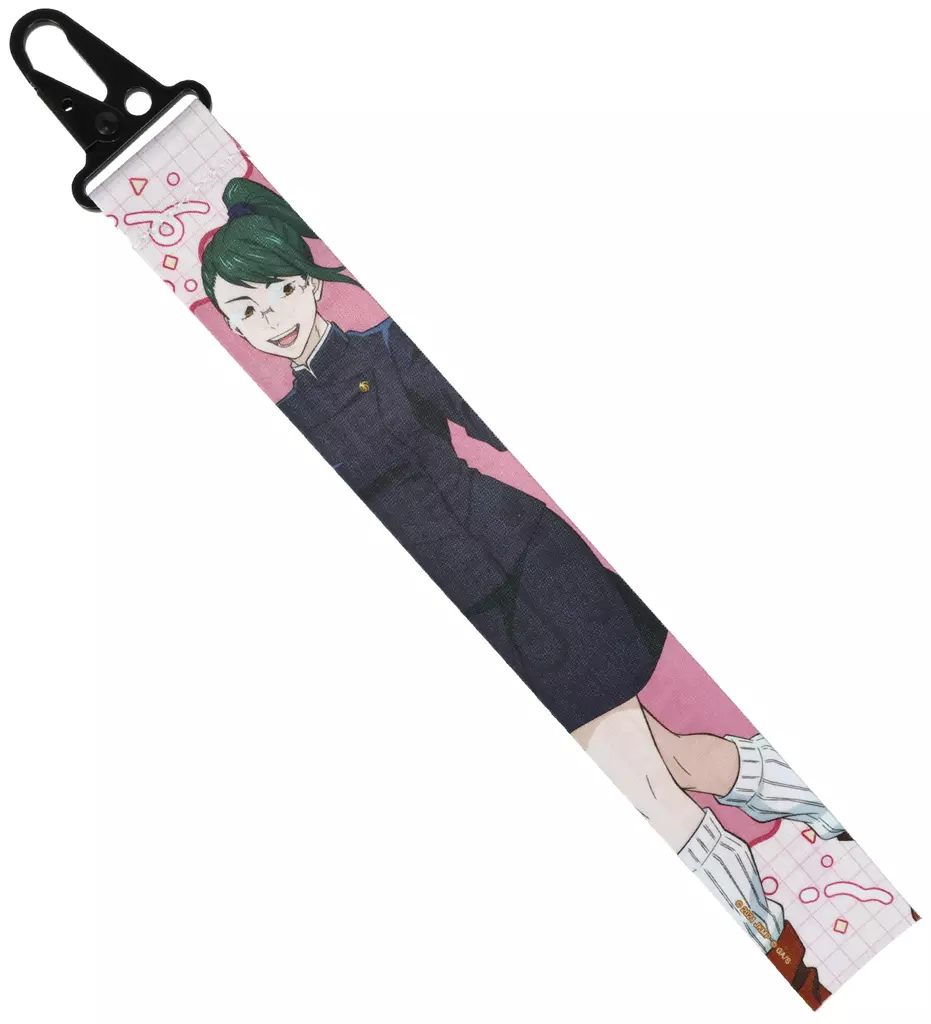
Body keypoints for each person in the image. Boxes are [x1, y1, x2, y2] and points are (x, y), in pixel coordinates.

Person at [202, 177, 844, 954]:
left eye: (277, 291)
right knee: (669, 760)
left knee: (641, 783)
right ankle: (814, 817)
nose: (268, 318)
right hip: (470, 606)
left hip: (528, 565)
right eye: (244, 311)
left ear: (308, 285)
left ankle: (793, 943)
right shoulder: (290, 416)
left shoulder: (389, 350)